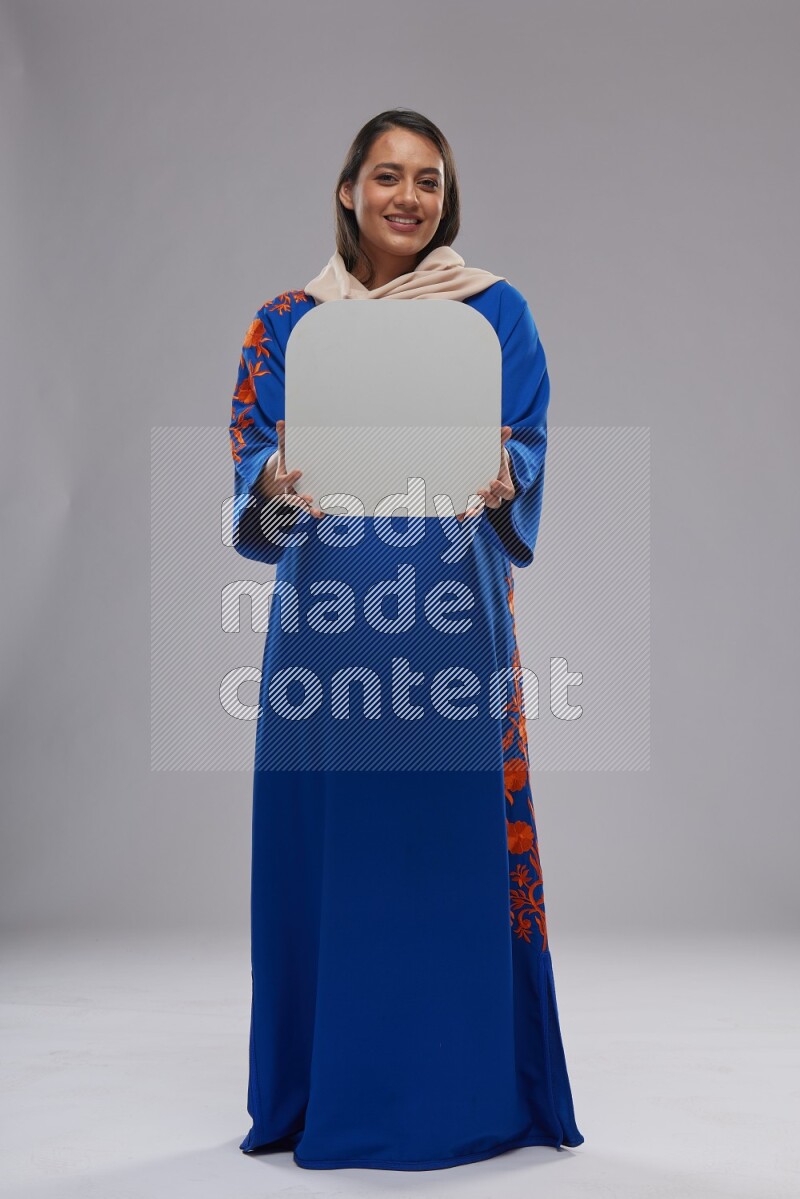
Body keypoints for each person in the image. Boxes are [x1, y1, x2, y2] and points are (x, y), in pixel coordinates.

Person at [229, 107, 584, 1171]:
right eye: (386, 175)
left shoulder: (493, 311)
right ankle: (317, 1089)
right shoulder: (288, 321)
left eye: (427, 180)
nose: (407, 198)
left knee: (444, 843)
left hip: (448, 620)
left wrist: (504, 472)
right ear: (348, 190)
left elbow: (525, 440)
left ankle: (465, 1090)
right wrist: (274, 489)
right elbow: (252, 465)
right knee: (333, 845)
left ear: (445, 199)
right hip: (330, 619)